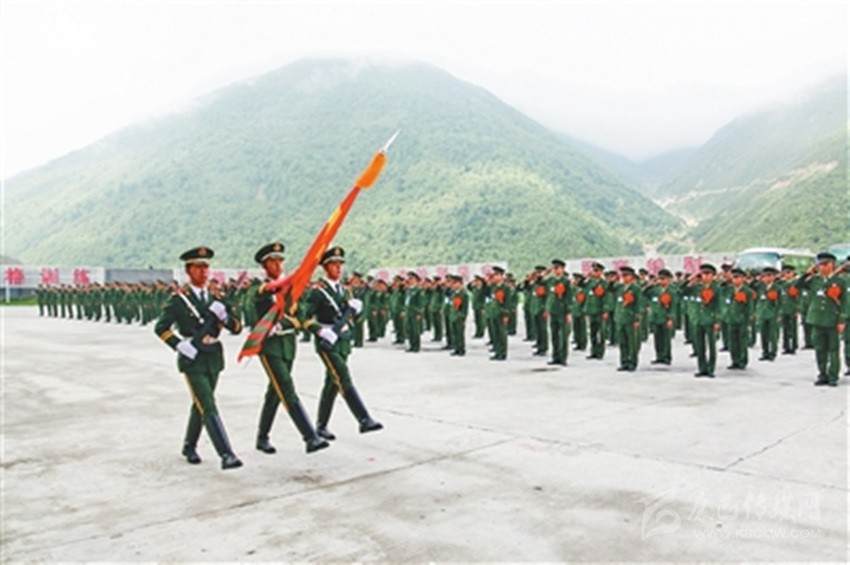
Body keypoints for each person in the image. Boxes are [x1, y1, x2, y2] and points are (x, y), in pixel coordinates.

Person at [154, 246, 244, 470]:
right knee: (208, 403)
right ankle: (226, 454)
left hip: (213, 357)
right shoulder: (179, 300)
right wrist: (179, 345)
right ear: (188, 270)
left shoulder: (217, 297)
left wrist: (225, 317)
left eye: (206, 267)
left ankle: (189, 445)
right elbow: (161, 327)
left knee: (201, 403)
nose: (204, 271)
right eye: (198, 267)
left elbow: (237, 328)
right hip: (192, 359)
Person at [250, 242, 330, 455]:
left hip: (288, 345)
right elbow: (264, 294)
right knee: (286, 388)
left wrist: (287, 323)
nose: (277, 265)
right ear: (264, 266)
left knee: (275, 393)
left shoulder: (292, 291)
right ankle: (310, 437)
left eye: (280, 261)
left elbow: (300, 316)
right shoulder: (259, 288)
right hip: (269, 347)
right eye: (272, 262)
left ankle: (262, 437)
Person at [304, 246, 383, 438]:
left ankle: (321, 426)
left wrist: (358, 309)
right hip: (327, 342)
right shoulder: (318, 292)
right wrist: (320, 331)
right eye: (334, 264)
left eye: (340, 264)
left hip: (343, 341)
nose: (338, 268)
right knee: (343, 376)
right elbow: (304, 317)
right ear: (325, 267)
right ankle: (363, 419)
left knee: (332, 383)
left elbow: (354, 318)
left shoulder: (346, 291)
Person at [794, 252, 847, 386]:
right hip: (817, 319)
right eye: (819, 265)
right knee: (820, 349)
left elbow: (845, 303)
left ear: (832, 265)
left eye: (825, 264)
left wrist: (842, 320)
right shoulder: (814, 280)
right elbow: (797, 285)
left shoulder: (840, 282)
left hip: (832, 319)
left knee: (833, 349)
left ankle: (833, 376)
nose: (822, 267)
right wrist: (807, 273)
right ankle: (822, 374)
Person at [687, 263, 721, 378]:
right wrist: (690, 280)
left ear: (713, 275)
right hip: (698, 320)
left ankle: (711, 368)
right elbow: (681, 291)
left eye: (708, 274)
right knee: (700, 345)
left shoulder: (716, 288)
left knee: (711, 345)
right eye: (703, 274)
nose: (705, 276)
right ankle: (702, 368)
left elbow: (719, 306)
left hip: (710, 320)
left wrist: (717, 321)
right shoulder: (696, 287)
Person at [644, 268, 677, 365]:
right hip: (656, 317)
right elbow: (644, 294)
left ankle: (666, 356)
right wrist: (649, 285)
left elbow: (673, 306)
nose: (661, 281)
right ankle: (659, 356)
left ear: (668, 280)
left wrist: (671, 319)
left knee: (666, 338)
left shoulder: (672, 291)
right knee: (657, 338)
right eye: (659, 279)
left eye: (663, 279)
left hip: (665, 317)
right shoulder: (655, 290)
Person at [614, 266, 642, 371]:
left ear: (632, 276)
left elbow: (639, 304)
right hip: (621, 318)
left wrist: (637, 319)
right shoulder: (620, 288)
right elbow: (610, 288)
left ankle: (632, 362)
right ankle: (624, 361)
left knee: (632, 342)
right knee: (622, 342)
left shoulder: (636, 289)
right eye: (623, 275)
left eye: (626, 275)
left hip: (630, 318)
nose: (624, 278)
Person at [724, 268, 753, 370]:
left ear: (743, 278)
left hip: (742, 319)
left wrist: (748, 319)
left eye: (737, 277)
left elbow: (749, 307)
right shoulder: (729, 290)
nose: (735, 280)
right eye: (734, 278)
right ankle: (734, 360)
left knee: (742, 341)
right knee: (733, 341)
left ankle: (742, 360)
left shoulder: (747, 291)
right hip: (731, 318)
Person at [546, 259, 572, 366]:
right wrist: (545, 273)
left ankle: (563, 357)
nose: (555, 270)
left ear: (562, 269)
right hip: (553, 311)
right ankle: (555, 356)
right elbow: (539, 282)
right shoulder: (551, 280)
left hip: (562, 311)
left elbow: (569, 297)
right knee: (554, 335)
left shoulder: (566, 282)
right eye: (554, 268)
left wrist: (568, 312)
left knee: (563, 336)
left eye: (557, 268)